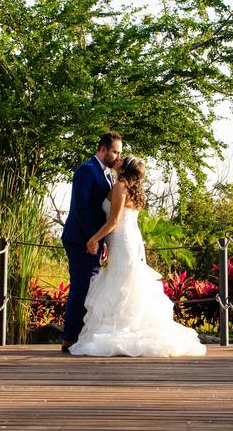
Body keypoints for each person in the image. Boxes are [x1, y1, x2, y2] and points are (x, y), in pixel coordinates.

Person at [68, 156, 206, 357]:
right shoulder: (130, 188)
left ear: (124, 168)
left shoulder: (119, 188)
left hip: (122, 240)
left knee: (123, 283)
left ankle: (124, 331)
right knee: (126, 283)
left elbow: (114, 221)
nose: (118, 158)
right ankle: (127, 327)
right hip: (128, 240)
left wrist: (94, 239)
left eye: (122, 158)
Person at [60, 132, 123, 353]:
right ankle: (69, 338)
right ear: (103, 149)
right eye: (115, 151)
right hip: (79, 239)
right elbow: (81, 208)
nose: (117, 156)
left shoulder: (108, 175)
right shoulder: (86, 170)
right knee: (80, 287)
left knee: (90, 288)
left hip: (94, 239)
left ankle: (81, 336)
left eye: (120, 152)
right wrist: (91, 240)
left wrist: (102, 241)